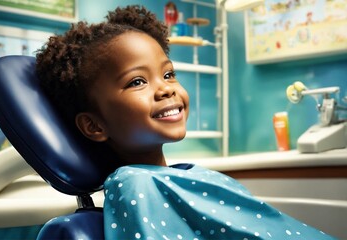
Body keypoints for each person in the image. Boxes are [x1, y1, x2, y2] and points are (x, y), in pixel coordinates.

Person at [35, 5, 336, 240]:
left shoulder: (193, 176)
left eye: (168, 74)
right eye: (137, 81)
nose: (167, 88)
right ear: (94, 126)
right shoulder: (134, 185)